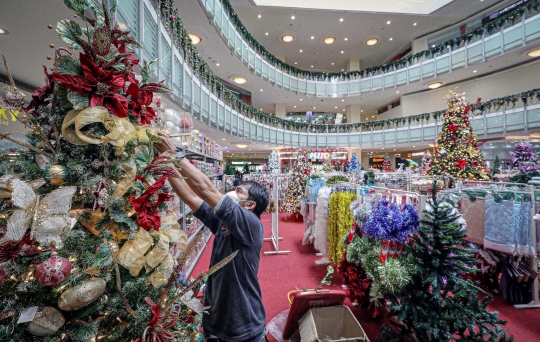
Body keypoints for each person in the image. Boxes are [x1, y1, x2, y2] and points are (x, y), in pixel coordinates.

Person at [154, 132, 269, 342]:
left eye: (239, 191)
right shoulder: (224, 223)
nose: (232, 192)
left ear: (250, 205)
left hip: (243, 327)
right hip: (215, 322)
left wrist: (174, 154)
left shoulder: (252, 226)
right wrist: (166, 165)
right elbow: (190, 197)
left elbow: (206, 189)